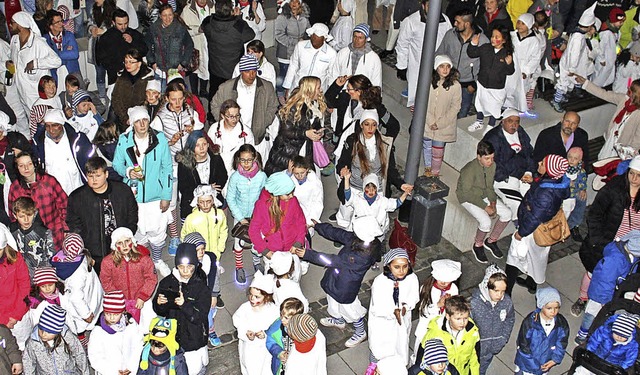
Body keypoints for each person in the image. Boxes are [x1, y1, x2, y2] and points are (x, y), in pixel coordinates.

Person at [293, 216, 382, 348]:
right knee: (333, 301)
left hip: (346, 287)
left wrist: (307, 254)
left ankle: (360, 331)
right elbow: (339, 234)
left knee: (350, 309)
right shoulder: (360, 240)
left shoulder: (359, 256)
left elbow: (330, 260)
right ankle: (338, 320)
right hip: (336, 278)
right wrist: (319, 226)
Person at [575, 157, 640, 317]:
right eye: (632, 173)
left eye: (639, 175)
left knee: (620, 278)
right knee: (593, 273)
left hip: (632, 247)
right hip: (609, 242)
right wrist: (599, 241)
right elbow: (595, 214)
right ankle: (583, 298)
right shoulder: (614, 190)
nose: (634, 178)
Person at [112, 106, 173, 277]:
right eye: (138, 121)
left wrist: (166, 195)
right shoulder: (124, 140)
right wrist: (128, 172)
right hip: (133, 196)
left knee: (157, 231)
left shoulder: (159, 139)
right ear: (132, 123)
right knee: (138, 231)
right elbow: (117, 164)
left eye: (145, 120)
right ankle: (143, 262)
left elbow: (167, 168)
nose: (142, 124)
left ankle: (157, 259)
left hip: (156, 195)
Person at [151, 81, 205, 254]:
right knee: (172, 201)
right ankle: (174, 236)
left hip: (189, 163)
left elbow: (200, 127)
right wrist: (170, 142)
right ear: (167, 98)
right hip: (171, 164)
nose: (177, 103)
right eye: (173, 99)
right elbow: (153, 145)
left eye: (180, 99)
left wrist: (192, 129)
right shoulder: (160, 117)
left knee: (190, 197)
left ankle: (189, 230)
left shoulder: (189, 111)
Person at [505, 154, 570, 295]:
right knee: (537, 259)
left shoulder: (546, 194)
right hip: (545, 230)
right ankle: (531, 284)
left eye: (543, 163)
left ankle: (507, 291)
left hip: (532, 231)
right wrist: (534, 181)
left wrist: (520, 233)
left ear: (550, 170)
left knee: (513, 257)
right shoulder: (556, 183)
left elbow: (534, 217)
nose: (539, 163)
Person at [335, 109, 406, 229]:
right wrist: (342, 169)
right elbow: (343, 161)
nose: (370, 128)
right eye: (367, 124)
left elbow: (390, 169)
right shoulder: (352, 141)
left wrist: (401, 184)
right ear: (361, 125)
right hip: (354, 187)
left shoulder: (385, 144)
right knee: (347, 214)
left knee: (373, 220)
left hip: (374, 190)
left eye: (374, 125)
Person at [66, 156, 138, 275]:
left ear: (106, 174)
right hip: (95, 253)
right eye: (90, 176)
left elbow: (132, 214)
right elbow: (74, 225)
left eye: (98, 175)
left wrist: (127, 237)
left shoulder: (122, 191)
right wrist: (86, 252)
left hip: (121, 247)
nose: (94, 180)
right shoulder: (77, 197)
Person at [153, 243, 210, 375]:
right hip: (174, 337)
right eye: (181, 267)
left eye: (189, 267)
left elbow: (199, 317)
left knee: (195, 369)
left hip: (194, 339)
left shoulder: (201, 287)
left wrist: (185, 305)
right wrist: (159, 303)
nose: (185, 271)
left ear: (195, 266)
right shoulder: (167, 283)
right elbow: (160, 311)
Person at [481, 109, 535, 245]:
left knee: (532, 199)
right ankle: (523, 237)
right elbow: (492, 164)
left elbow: (529, 153)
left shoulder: (521, 133)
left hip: (521, 175)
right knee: (517, 205)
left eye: (517, 122)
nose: (514, 125)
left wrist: (528, 171)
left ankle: (531, 231)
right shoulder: (493, 138)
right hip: (504, 179)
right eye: (510, 121)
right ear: (502, 122)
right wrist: (511, 175)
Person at [210, 54, 279, 162]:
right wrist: (225, 122)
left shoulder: (267, 87)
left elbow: (273, 106)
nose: (251, 75)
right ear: (241, 71)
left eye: (254, 71)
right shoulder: (226, 87)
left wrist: (263, 123)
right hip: (233, 141)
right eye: (247, 71)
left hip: (257, 140)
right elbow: (215, 105)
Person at [575, 231, 640, 344]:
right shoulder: (615, 260)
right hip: (600, 295)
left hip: (611, 291)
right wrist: (605, 300)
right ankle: (582, 334)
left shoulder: (628, 256)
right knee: (591, 314)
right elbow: (603, 283)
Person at [457, 141, 512, 263]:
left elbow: (489, 187)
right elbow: (466, 193)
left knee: (507, 214)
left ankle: (491, 241)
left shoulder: (492, 166)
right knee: (485, 222)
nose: (490, 161)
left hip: (483, 194)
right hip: (468, 198)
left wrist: (492, 202)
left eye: (492, 158)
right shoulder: (469, 170)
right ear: (478, 157)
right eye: (487, 158)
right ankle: (478, 244)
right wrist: (485, 207)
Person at [396, 0, 452, 108]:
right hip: (417, 66)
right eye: (428, 5)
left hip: (437, 67)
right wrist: (402, 66)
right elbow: (402, 45)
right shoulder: (411, 21)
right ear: (423, 5)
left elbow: (449, 41)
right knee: (417, 99)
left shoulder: (445, 21)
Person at [368, 248, 420, 366]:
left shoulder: (412, 279)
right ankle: (374, 368)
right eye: (397, 267)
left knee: (400, 345)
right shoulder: (380, 282)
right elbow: (378, 306)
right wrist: (392, 312)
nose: (401, 271)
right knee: (379, 348)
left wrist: (406, 307)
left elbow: (414, 297)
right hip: (382, 322)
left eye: (405, 266)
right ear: (389, 266)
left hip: (402, 320)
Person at [266, 76, 326, 176]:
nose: (320, 90)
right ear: (309, 89)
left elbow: (314, 126)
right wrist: (305, 133)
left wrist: (319, 132)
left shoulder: (315, 105)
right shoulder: (294, 107)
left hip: (305, 152)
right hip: (287, 154)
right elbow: (285, 131)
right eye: (318, 88)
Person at [248, 171, 307, 273]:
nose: (292, 196)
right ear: (277, 193)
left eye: (292, 192)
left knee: (293, 274)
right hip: (272, 252)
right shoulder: (261, 206)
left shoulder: (293, 201)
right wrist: (265, 251)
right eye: (288, 194)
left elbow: (301, 222)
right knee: (272, 279)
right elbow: (253, 230)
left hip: (292, 248)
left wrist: (298, 242)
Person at [9, 151, 68, 250]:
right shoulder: (15, 188)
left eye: (29, 164)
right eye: (21, 165)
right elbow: (13, 216)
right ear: (17, 168)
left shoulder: (49, 181)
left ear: (35, 164)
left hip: (55, 234)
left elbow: (65, 206)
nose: (26, 168)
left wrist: (66, 230)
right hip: (29, 239)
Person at [7, 12, 61, 120]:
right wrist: (8, 63)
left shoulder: (38, 43)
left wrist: (36, 63)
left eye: (12, 23)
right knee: (31, 124)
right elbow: (11, 56)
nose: (9, 25)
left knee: (44, 122)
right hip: (21, 92)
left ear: (21, 25)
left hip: (36, 95)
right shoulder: (14, 40)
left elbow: (57, 61)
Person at [50, 234, 103, 342]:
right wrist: (86, 314)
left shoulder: (59, 260)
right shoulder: (78, 271)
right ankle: (82, 341)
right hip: (81, 309)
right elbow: (76, 297)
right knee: (81, 328)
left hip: (71, 304)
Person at [436, 9, 489, 119]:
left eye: (458, 22)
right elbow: (440, 53)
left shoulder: (482, 40)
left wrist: (474, 83)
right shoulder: (450, 34)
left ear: (467, 24)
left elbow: (486, 65)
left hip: (468, 85)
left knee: (462, 112)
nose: (455, 24)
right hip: (449, 80)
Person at [226, 144, 267, 284]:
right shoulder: (235, 177)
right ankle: (239, 267)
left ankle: (257, 263)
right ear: (238, 160)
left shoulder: (262, 176)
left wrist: (260, 215)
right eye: (243, 160)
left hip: (257, 217)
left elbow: (265, 197)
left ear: (255, 158)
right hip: (240, 216)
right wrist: (240, 217)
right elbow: (230, 198)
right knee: (239, 243)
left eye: (249, 160)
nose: (246, 164)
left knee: (257, 243)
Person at [99, 227, 157, 324]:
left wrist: (143, 297)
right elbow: (106, 282)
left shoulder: (144, 259)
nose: (124, 245)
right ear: (115, 245)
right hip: (119, 299)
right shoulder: (107, 262)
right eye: (120, 243)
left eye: (127, 241)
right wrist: (119, 298)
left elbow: (151, 279)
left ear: (132, 241)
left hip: (141, 298)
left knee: (146, 323)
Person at [574, 75, 640, 159]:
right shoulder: (623, 99)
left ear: (636, 95)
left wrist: (628, 154)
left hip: (622, 149)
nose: (628, 89)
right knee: (602, 159)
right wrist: (585, 83)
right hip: (611, 140)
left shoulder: (638, 114)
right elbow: (604, 94)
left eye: (630, 90)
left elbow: (637, 140)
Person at [202, 0, 256, 101]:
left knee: (214, 93)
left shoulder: (208, 22)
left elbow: (203, 28)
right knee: (232, 96)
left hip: (215, 67)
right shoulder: (238, 25)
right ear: (231, 10)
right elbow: (250, 35)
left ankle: (211, 116)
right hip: (233, 69)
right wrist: (238, 18)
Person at [32, 108, 94, 195]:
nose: (51, 130)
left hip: (78, 190)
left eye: (54, 125)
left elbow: (91, 163)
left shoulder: (78, 140)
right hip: (53, 194)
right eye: (47, 126)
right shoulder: (39, 143)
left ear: (62, 124)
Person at [466, 27, 515, 132]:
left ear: (504, 40)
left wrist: (509, 64)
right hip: (482, 82)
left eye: (497, 37)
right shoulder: (485, 48)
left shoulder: (506, 53)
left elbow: (510, 72)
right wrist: (473, 44)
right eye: (492, 36)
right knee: (480, 103)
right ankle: (479, 121)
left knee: (494, 106)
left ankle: (491, 125)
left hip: (497, 86)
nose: (493, 39)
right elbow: (472, 53)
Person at [416, 295, 480, 375]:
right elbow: (422, 361)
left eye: (465, 318)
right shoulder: (434, 333)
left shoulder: (473, 332)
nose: (463, 323)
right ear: (448, 316)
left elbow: (475, 359)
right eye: (458, 319)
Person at [412, 259, 461, 363]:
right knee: (420, 353)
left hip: (442, 329)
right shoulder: (426, 288)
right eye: (441, 279)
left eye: (447, 280)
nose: (443, 282)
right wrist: (438, 305)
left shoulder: (454, 289)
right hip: (426, 328)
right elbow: (423, 311)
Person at [470, 264, 515, 375]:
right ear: (486, 286)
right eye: (496, 291)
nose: (499, 295)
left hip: (491, 349)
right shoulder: (474, 304)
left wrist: (503, 338)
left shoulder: (507, 302)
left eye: (503, 291)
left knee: (481, 370)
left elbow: (510, 319)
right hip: (474, 351)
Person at [232, 271, 279, 375]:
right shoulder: (245, 308)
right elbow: (237, 320)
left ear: (266, 297)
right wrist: (245, 332)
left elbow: (277, 328)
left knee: (265, 369)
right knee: (250, 368)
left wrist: (266, 334)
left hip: (266, 350)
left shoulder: (274, 311)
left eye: (257, 297)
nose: (252, 299)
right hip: (249, 349)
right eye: (251, 295)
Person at [549, 12, 598, 112]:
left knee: (568, 81)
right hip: (570, 64)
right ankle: (556, 100)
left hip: (574, 64)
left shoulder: (579, 34)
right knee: (563, 82)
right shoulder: (578, 38)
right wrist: (572, 68)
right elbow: (574, 54)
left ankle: (560, 97)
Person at [514, 287, 569, 375]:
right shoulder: (530, 323)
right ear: (541, 306)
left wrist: (555, 359)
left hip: (545, 364)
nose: (553, 311)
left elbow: (562, 343)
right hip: (527, 365)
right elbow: (523, 347)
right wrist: (536, 367)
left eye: (556, 308)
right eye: (549, 308)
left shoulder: (561, 324)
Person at [87, 291, 144, 375]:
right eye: (108, 314)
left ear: (123, 312)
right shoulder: (98, 332)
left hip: (129, 370)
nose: (112, 318)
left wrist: (131, 366)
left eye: (116, 314)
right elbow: (95, 356)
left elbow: (138, 344)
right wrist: (113, 372)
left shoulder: (131, 324)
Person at [22, 305, 89, 375]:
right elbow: (28, 362)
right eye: (41, 329)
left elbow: (79, 354)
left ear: (57, 332)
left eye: (49, 332)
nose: (43, 334)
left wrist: (85, 372)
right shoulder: (33, 342)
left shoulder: (68, 337)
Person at [177, 130, 227, 221]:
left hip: (213, 200)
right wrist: (207, 188)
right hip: (191, 203)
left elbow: (223, 176)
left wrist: (213, 191)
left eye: (204, 144)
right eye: (197, 145)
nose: (201, 148)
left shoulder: (216, 158)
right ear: (191, 147)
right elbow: (184, 188)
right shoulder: (184, 164)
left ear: (208, 144)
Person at [182, 232, 222, 346]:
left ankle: (210, 330)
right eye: (197, 249)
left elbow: (215, 278)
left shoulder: (209, 260)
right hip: (192, 297)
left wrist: (214, 295)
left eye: (203, 248)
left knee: (207, 314)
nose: (201, 252)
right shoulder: (185, 264)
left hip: (206, 295)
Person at [424, 54, 461, 177]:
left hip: (444, 126)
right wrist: (430, 121)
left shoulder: (455, 86)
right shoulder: (428, 82)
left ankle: (435, 173)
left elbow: (455, 107)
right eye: (441, 66)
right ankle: (428, 168)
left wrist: (439, 124)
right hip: (428, 123)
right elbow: (423, 102)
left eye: (447, 67)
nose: (445, 70)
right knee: (427, 147)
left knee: (438, 151)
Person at [342, 172, 411, 235]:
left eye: (373, 189)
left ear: (377, 189)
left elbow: (396, 203)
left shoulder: (382, 201)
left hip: (376, 232)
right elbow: (348, 196)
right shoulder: (358, 198)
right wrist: (346, 179)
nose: (370, 192)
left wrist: (405, 194)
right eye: (368, 189)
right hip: (359, 230)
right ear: (364, 188)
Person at [95, 9, 148, 88]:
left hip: (135, 77)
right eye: (120, 24)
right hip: (115, 78)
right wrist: (116, 68)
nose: (123, 27)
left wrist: (132, 42)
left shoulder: (134, 34)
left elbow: (145, 50)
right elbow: (100, 58)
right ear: (113, 23)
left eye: (126, 23)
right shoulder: (106, 37)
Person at [575, 313, 640, 374]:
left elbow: (630, 358)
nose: (619, 337)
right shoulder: (604, 331)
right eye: (617, 334)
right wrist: (589, 352)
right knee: (581, 370)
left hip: (612, 368)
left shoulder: (632, 345)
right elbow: (594, 341)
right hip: (595, 358)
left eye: (623, 336)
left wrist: (621, 368)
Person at [283, 23, 337, 93]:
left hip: (317, 91)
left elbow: (332, 75)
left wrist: (330, 93)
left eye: (318, 38)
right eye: (313, 37)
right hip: (298, 87)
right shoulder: (300, 46)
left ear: (324, 39)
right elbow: (293, 65)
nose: (315, 40)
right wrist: (288, 87)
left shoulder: (331, 53)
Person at [146, 4, 193, 84]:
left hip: (176, 69)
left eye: (170, 15)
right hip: (159, 68)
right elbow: (147, 44)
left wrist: (183, 63)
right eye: (164, 15)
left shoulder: (180, 28)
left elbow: (189, 45)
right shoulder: (154, 29)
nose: (168, 18)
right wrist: (152, 62)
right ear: (160, 16)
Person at [274, 0, 311, 102]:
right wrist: (295, 42)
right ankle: (280, 93)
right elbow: (279, 34)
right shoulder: (282, 17)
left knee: (295, 73)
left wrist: (307, 39)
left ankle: (293, 93)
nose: (294, 5)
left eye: (297, 2)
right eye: (292, 2)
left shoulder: (304, 17)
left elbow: (309, 31)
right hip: (285, 51)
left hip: (299, 51)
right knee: (283, 73)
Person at [110, 48, 154, 132]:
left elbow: (148, 101)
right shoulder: (121, 77)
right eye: (126, 62)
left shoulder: (148, 78)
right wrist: (125, 117)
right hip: (124, 117)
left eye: (131, 62)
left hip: (141, 115)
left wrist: (136, 115)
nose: (128, 65)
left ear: (139, 64)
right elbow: (116, 98)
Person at [0, 227, 29, 349]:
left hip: (17, 316)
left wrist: (16, 315)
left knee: (21, 346)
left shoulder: (15, 258)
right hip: (1, 319)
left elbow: (25, 286)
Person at [208, 100, 255, 175]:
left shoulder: (246, 132)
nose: (235, 119)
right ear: (223, 116)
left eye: (237, 115)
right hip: (219, 171)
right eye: (231, 116)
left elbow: (251, 155)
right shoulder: (214, 129)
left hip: (239, 172)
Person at [11, 197, 54, 277]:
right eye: (21, 216)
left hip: (39, 276)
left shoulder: (43, 232)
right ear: (15, 215)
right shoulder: (11, 230)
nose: (26, 219)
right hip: (17, 275)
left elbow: (50, 257)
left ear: (35, 213)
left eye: (29, 215)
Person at [180, 0, 215, 98]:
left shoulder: (213, 7)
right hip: (195, 44)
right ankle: (194, 94)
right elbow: (184, 30)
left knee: (207, 67)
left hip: (210, 43)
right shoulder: (187, 10)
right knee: (194, 68)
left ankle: (203, 90)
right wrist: (198, 30)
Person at [511, 13, 542, 114]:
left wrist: (526, 71)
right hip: (512, 67)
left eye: (523, 24)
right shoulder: (512, 36)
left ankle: (520, 107)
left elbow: (535, 59)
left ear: (528, 25)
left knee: (522, 89)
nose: (519, 25)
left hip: (523, 69)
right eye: (518, 22)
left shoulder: (534, 41)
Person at [265, 297, 305, 375]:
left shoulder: (303, 329)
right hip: (281, 366)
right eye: (281, 315)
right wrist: (279, 353)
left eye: (286, 318)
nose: (282, 319)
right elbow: (270, 341)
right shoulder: (276, 327)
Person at [288, 156, 323, 240]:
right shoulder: (289, 178)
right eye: (296, 173)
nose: (300, 176)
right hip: (291, 215)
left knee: (304, 240)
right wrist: (288, 174)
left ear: (307, 169)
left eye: (302, 172)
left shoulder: (314, 182)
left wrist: (311, 220)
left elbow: (318, 202)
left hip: (307, 215)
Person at [592, 8, 626, 88]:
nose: (621, 24)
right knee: (599, 76)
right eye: (620, 22)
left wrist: (618, 49)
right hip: (604, 60)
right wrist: (602, 59)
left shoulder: (615, 31)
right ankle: (593, 89)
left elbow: (615, 43)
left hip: (610, 58)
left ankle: (602, 88)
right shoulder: (606, 33)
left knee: (606, 75)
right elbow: (600, 47)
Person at [44, 10, 80, 85]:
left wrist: (56, 53)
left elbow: (75, 54)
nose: (61, 24)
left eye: (61, 21)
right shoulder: (44, 40)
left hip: (72, 73)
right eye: (58, 22)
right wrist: (66, 53)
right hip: (55, 77)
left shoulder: (69, 35)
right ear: (50, 26)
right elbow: (46, 58)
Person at [565, 147, 588, 241]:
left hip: (575, 193)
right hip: (565, 195)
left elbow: (583, 181)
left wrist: (583, 189)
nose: (571, 160)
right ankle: (562, 227)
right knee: (565, 211)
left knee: (582, 200)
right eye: (569, 157)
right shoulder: (563, 169)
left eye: (575, 159)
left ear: (579, 160)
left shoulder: (581, 171)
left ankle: (574, 225)